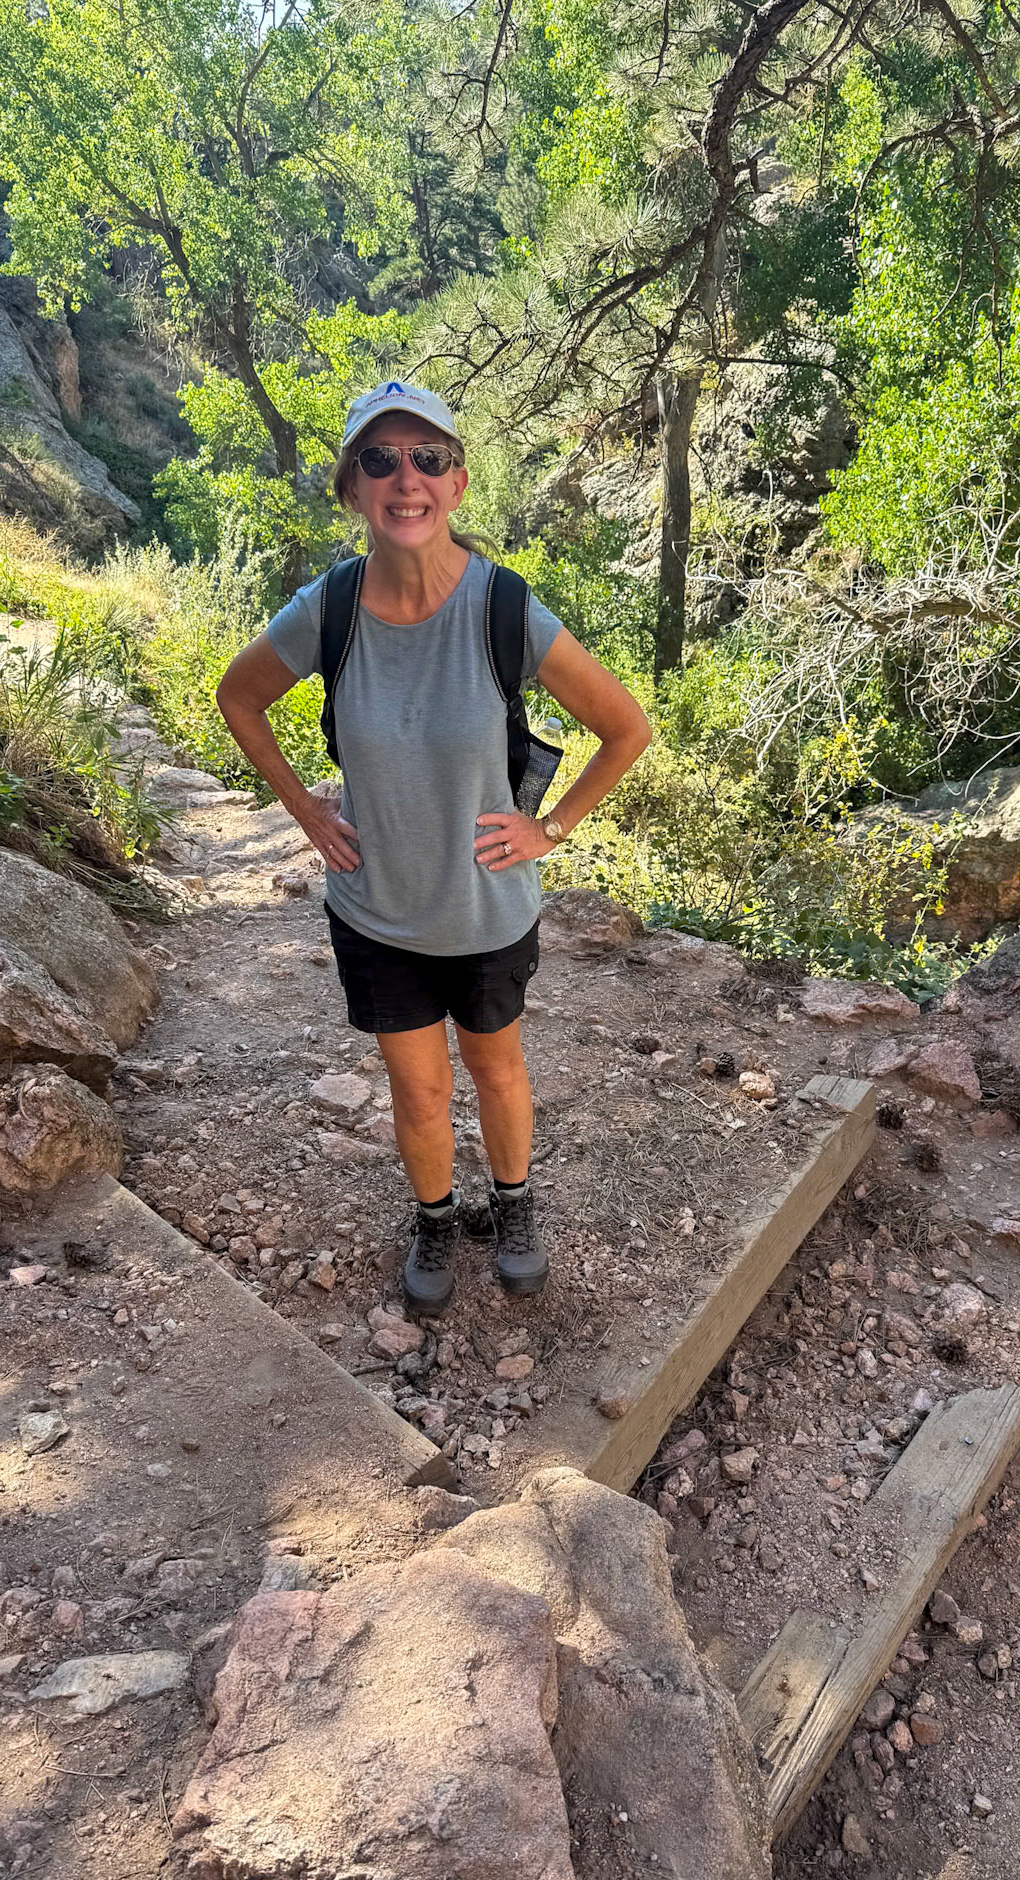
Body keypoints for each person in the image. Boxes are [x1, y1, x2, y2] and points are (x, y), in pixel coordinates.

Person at [215, 379, 651, 1312]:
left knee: (497, 1069)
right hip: (377, 910)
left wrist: (552, 826)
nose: (404, 479)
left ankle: (515, 1203)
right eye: (379, 460)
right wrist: (303, 808)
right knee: (416, 1095)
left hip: (488, 909)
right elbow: (238, 696)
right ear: (351, 488)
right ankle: (434, 1216)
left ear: (457, 485)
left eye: (427, 460)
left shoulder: (505, 610)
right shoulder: (325, 611)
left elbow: (626, 727)